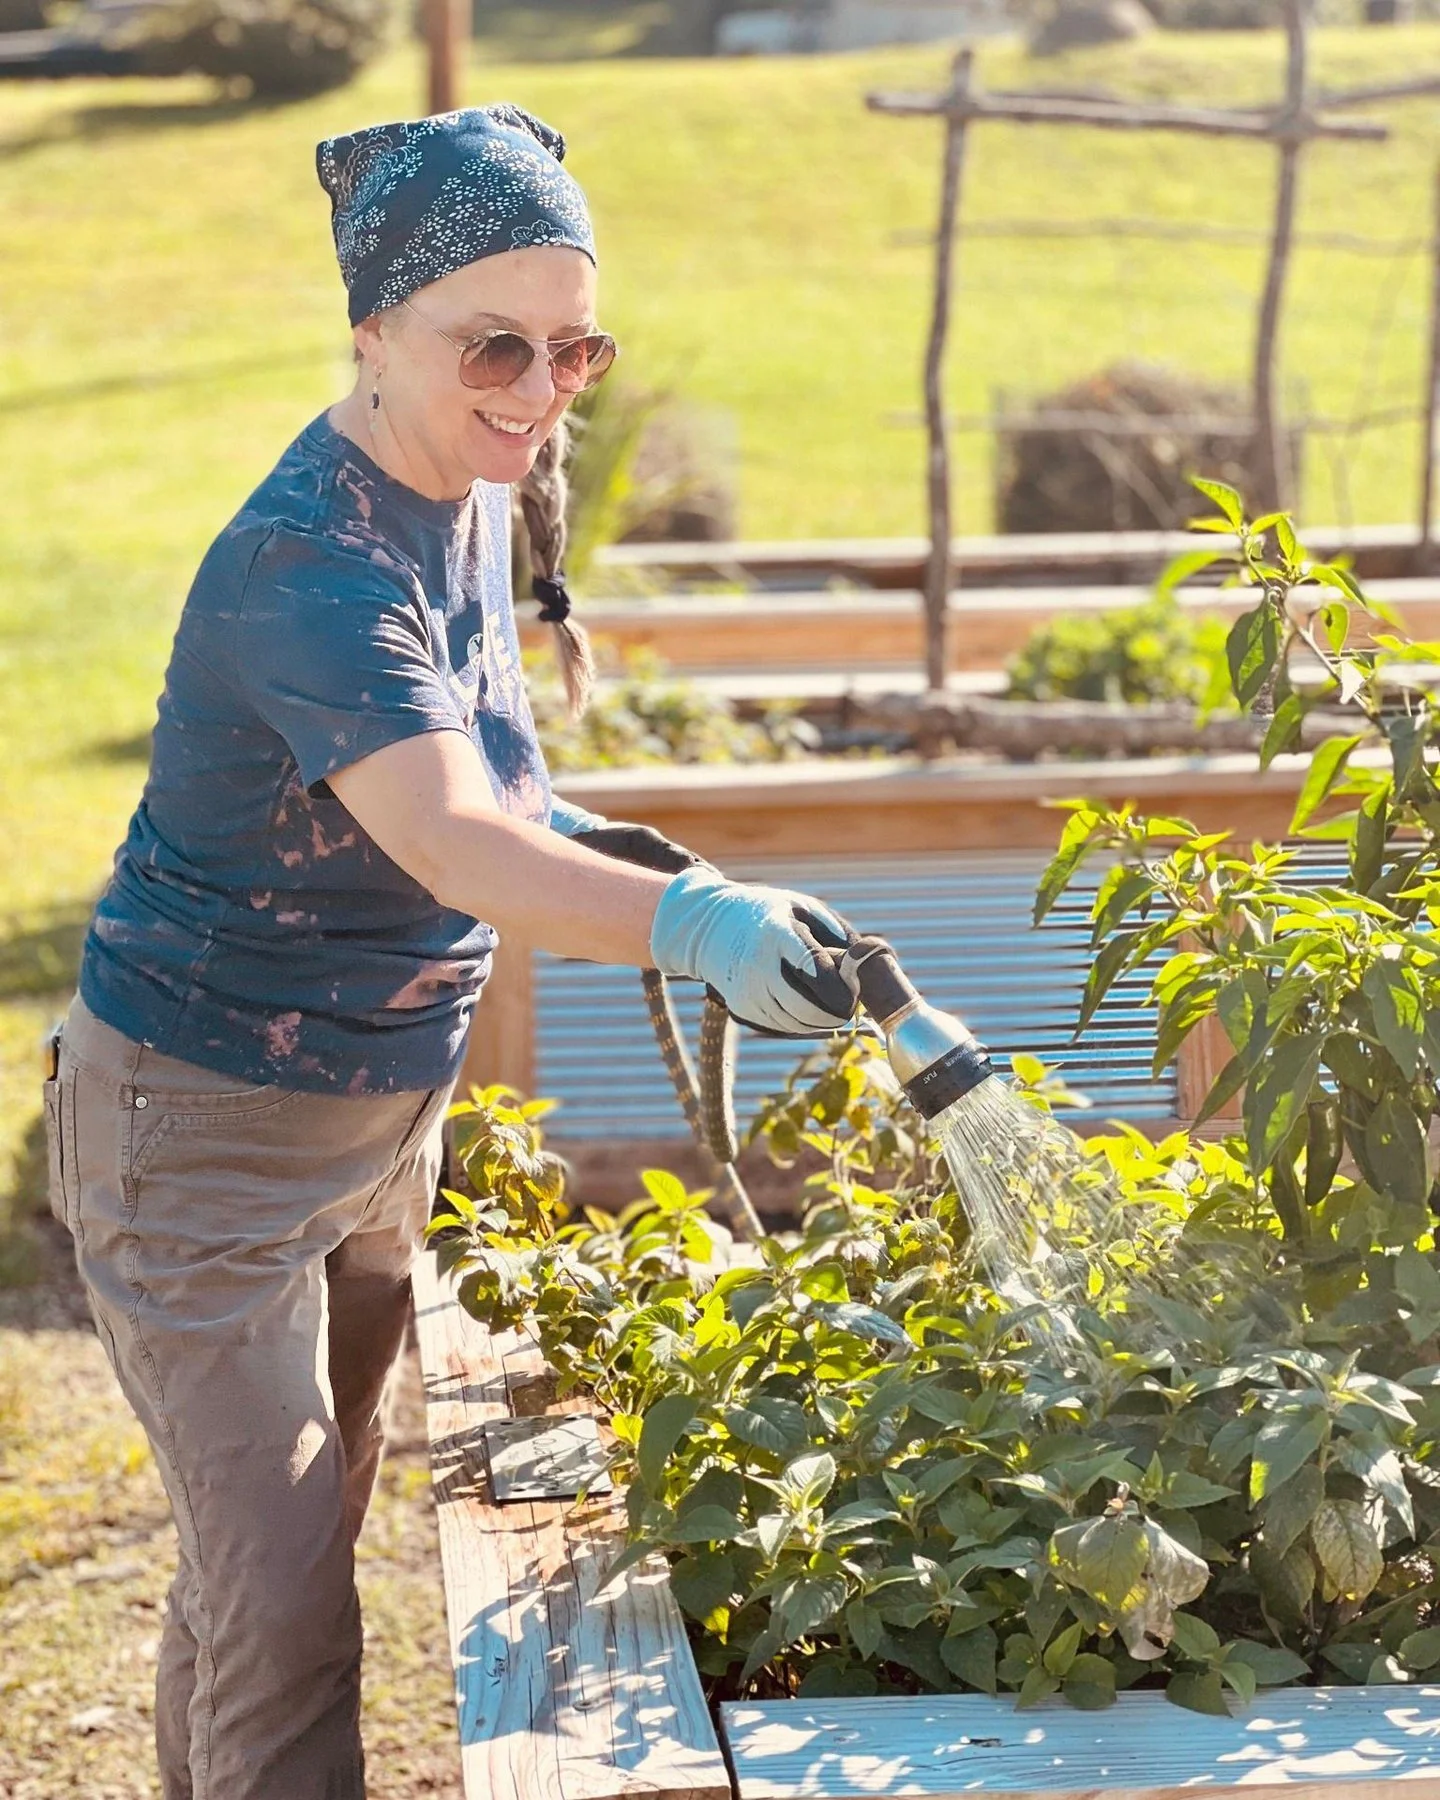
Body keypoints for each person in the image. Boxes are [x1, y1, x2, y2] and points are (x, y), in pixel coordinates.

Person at [44, 105, 856, 1800]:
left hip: (374, 1124)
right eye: (494, 342)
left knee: (271, 1554)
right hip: (196, 1134)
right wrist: (695, 925)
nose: (541, 387)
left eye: (576, 348)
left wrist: (633, 863)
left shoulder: (471, 489)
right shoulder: (308, 567)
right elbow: (451, 841)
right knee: (290, 1613)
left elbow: (495, 780)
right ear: (369, 332)